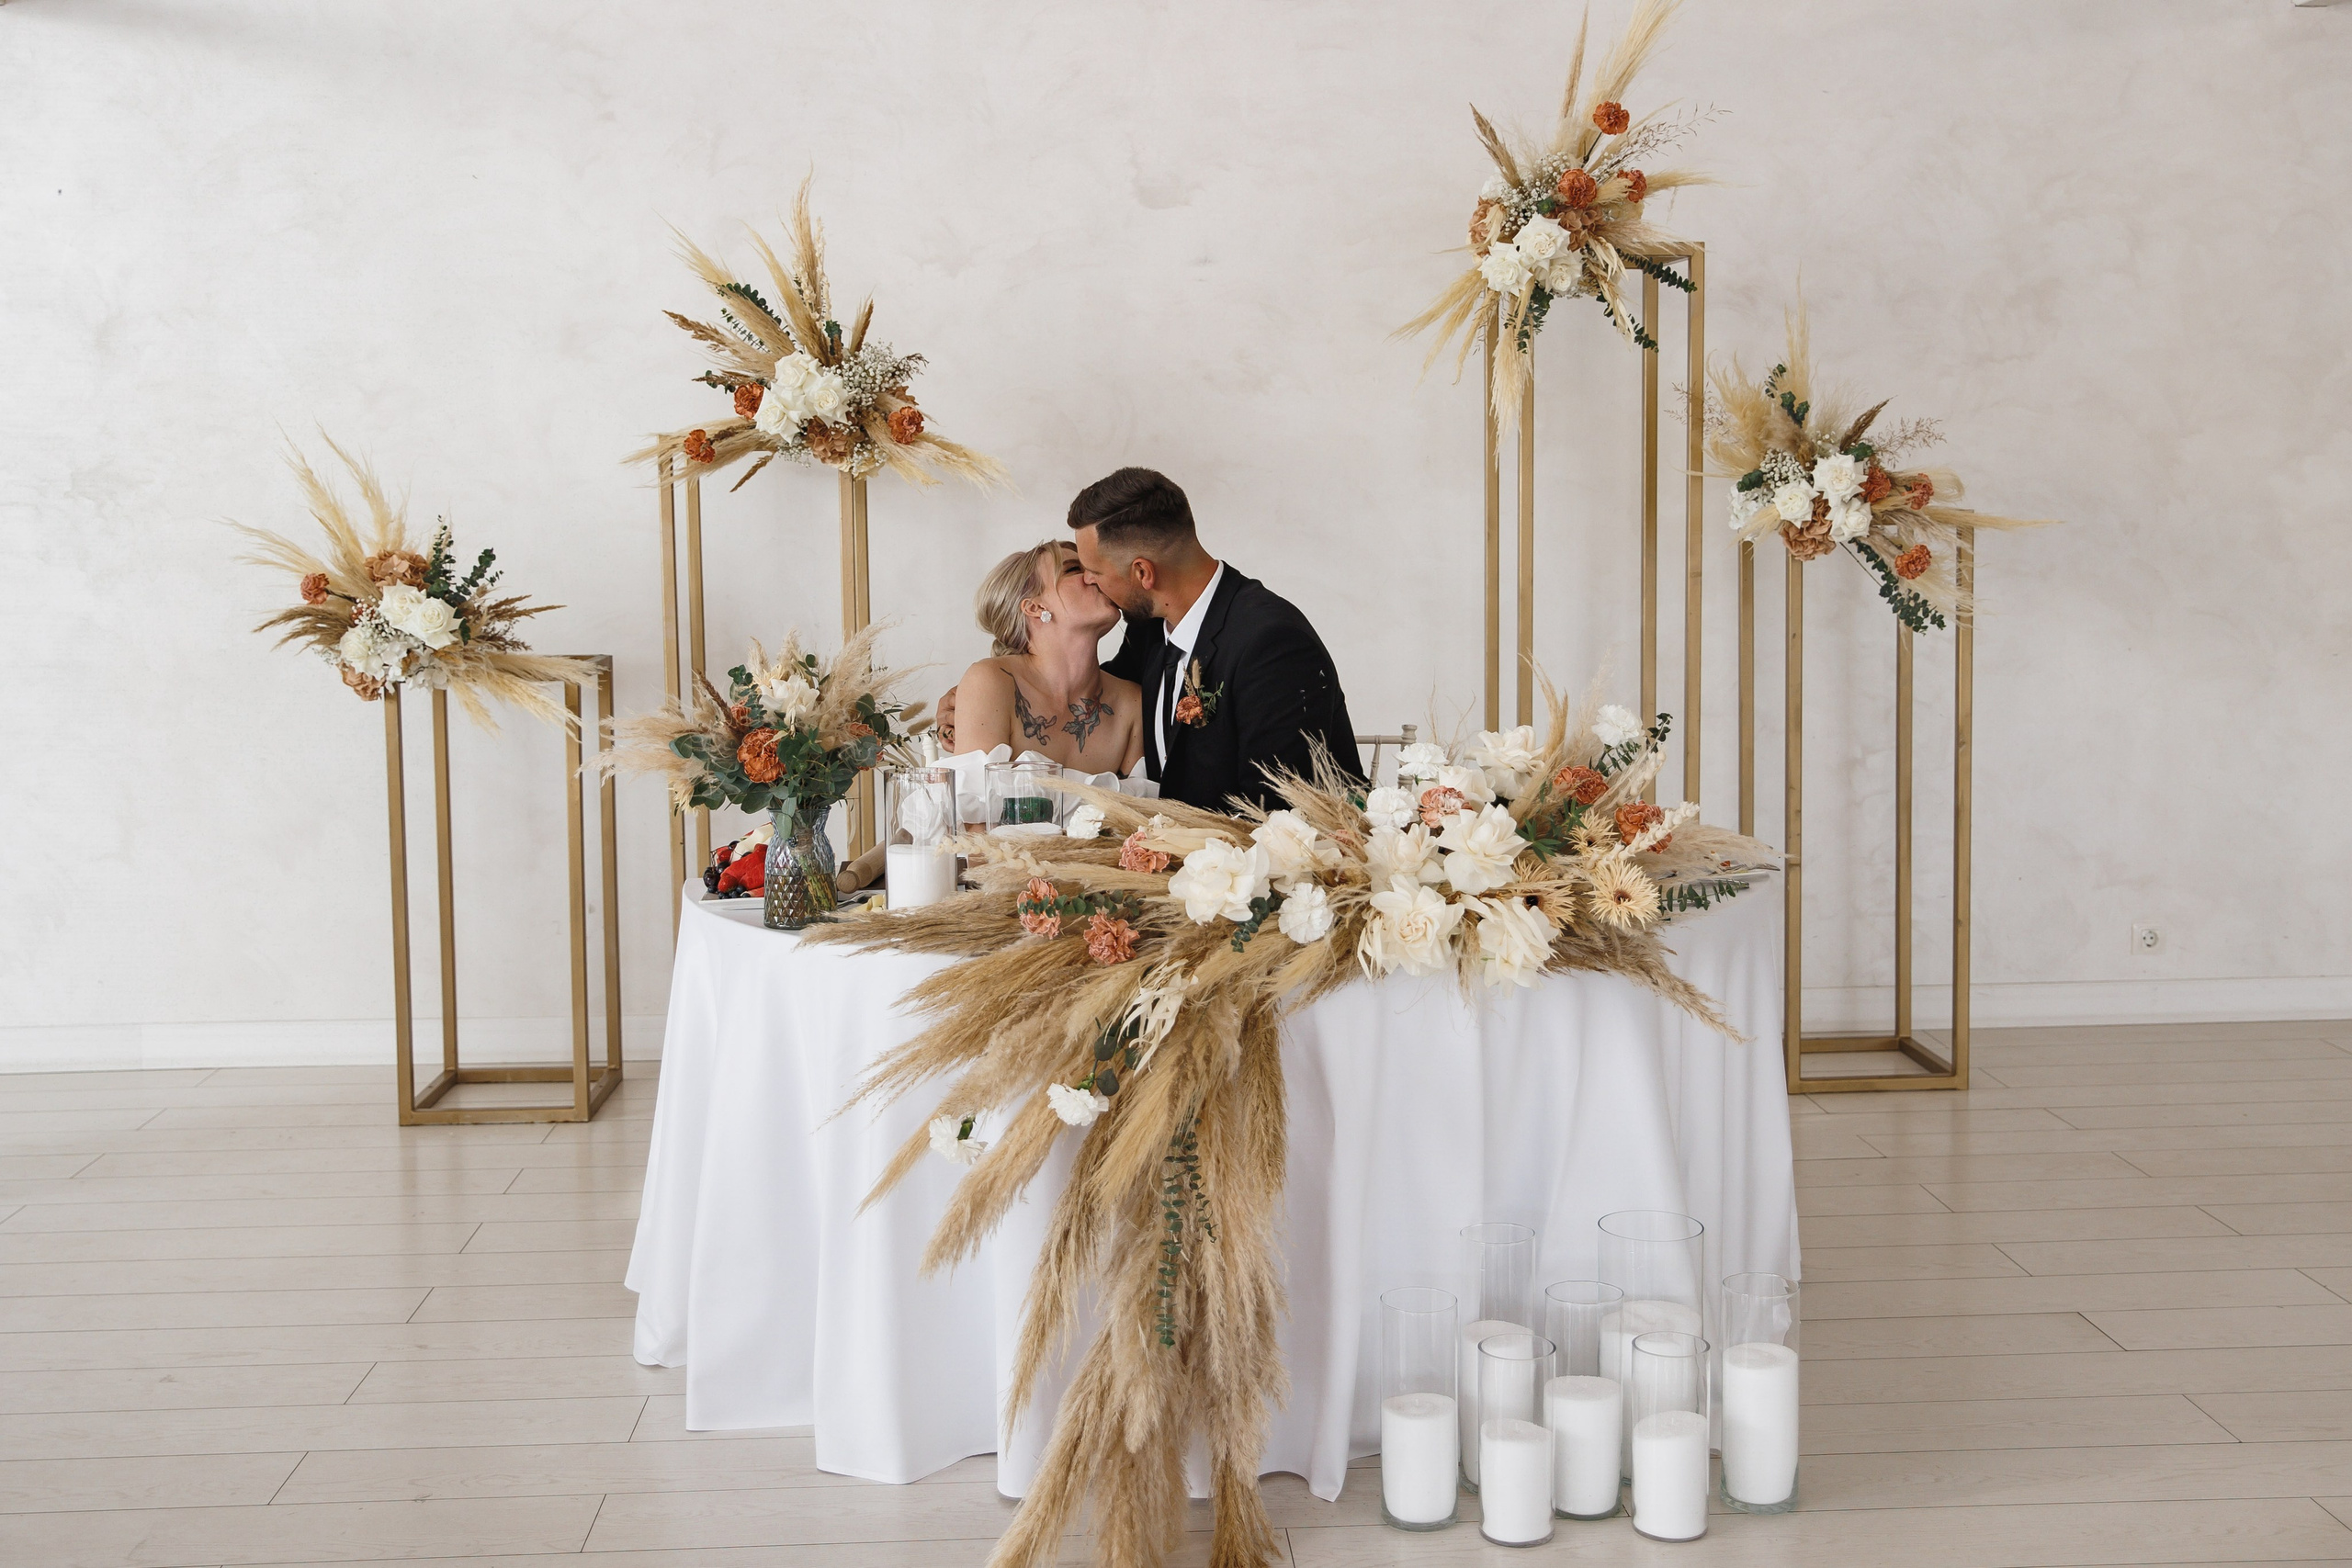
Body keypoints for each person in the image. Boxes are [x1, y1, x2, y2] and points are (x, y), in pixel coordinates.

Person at [1069, 467, 1358, 812]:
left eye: (1094, 571)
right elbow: (1096, 701)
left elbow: (1275, 811)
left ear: (1143, 572)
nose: (1087, 581)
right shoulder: (1148, 628)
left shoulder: (1273, 646)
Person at [948, 539, 1147, 776]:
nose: (1094, 577)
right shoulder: (991, 682)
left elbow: (1144, 800)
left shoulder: (1132, 703)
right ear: (1035, 607)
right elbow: (975, 797)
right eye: (1074, 569)